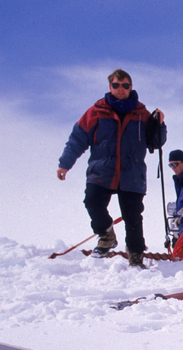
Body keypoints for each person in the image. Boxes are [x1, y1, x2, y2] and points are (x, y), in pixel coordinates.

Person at [57, 68, 166, 269]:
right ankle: (106, 235)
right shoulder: (96, 112)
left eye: (125, 85)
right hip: (102, 171)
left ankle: (135, 256)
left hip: (131, 174)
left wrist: (159, 125)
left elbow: (156, 143)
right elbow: (77, 139)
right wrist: (65, 163)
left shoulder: (142, 114)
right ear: (110, 87)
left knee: (133, 217)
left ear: (131, 87)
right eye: (116, 85)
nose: (120, 89)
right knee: (92, 201)